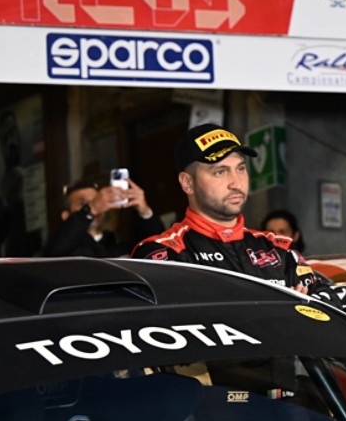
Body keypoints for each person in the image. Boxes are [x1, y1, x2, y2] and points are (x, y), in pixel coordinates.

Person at [132, 124, 327, 294]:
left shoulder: (279, 248)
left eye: (240, 168)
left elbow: (328, 304)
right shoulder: (164, 254)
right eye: (220, 172)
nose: (236, 183)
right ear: (188, 183)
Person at [44, 177, 164, 258]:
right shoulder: (62, 249)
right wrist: (90, 210)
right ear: (66, 216)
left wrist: (145, 211)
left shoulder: (116, 246)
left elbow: (160, 248)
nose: (96, 205)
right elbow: (54, 252)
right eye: (83, 204)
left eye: (97, 201)